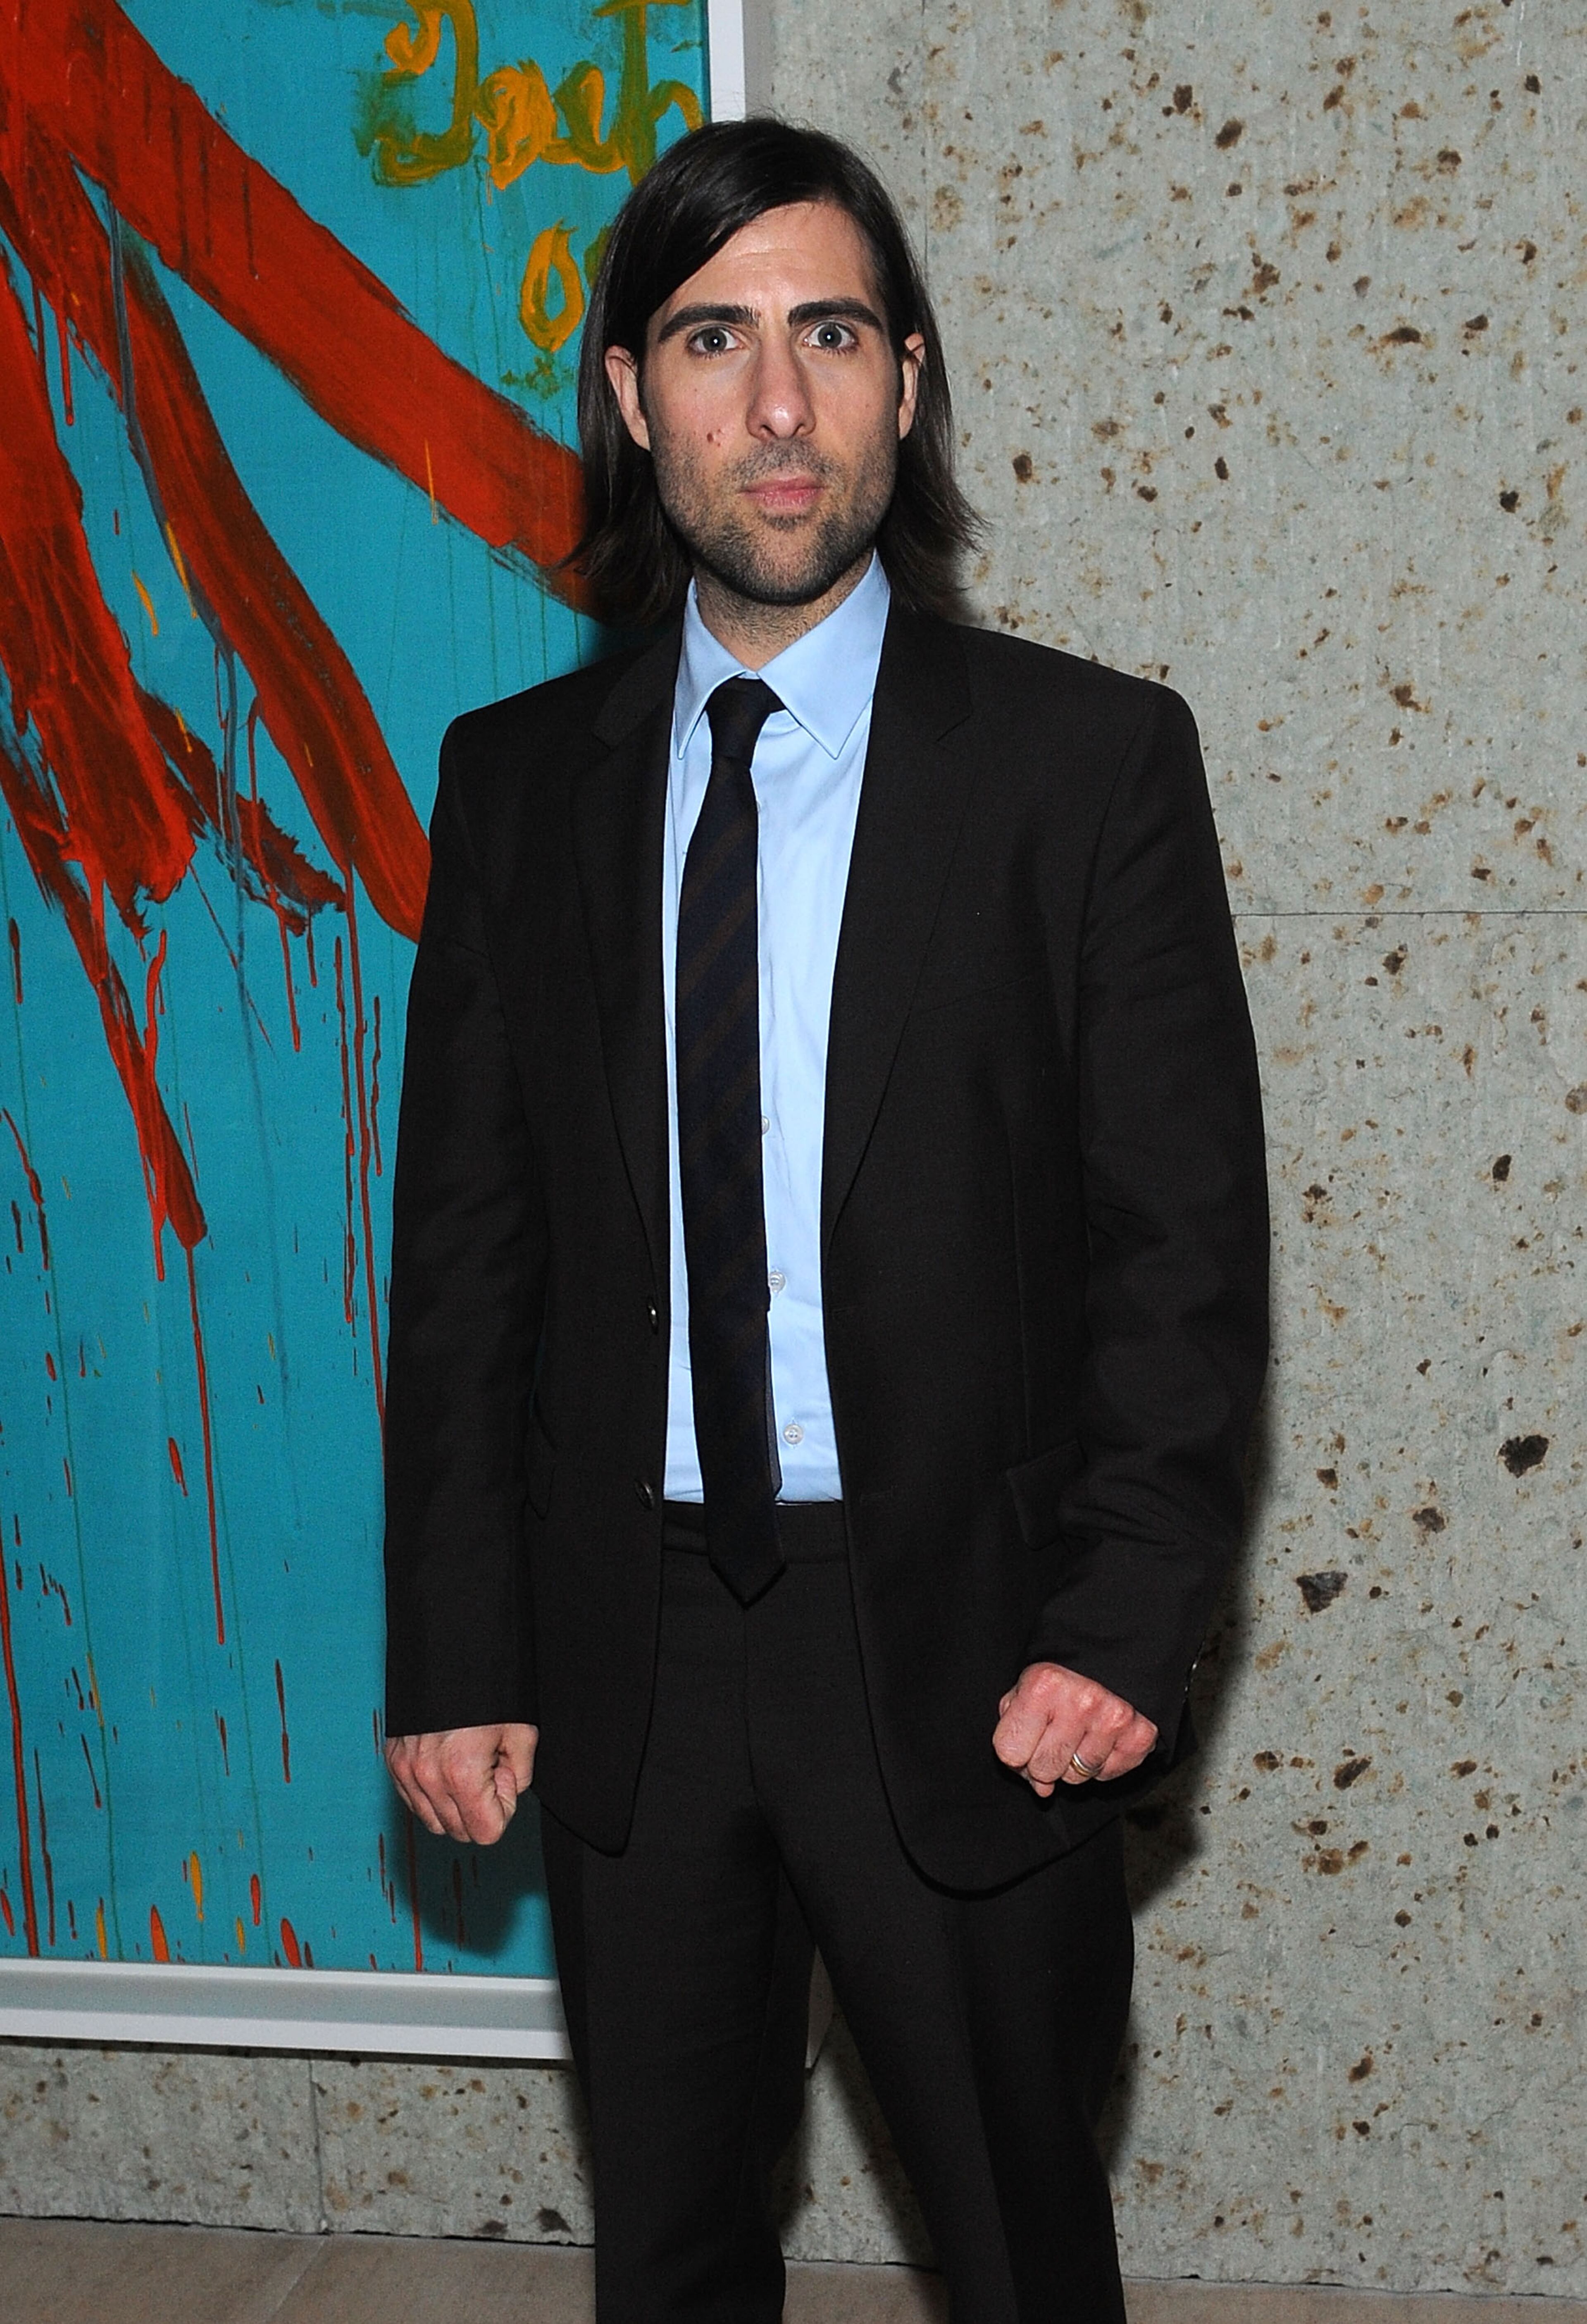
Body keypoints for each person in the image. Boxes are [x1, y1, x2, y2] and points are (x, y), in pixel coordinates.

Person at [382, 118, 1268, 2324]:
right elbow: (470, 1253)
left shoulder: (1088, 770)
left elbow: (1185, 1254)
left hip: (969, 1642)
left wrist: (1124, 1613)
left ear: (908, 379)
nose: (776, 408)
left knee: (1018, 2251)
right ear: (627, 397)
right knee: (671, 2261)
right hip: (634, 1652)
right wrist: (461, 1640)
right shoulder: (516, 784)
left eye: (830, 334)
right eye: (713, 340)